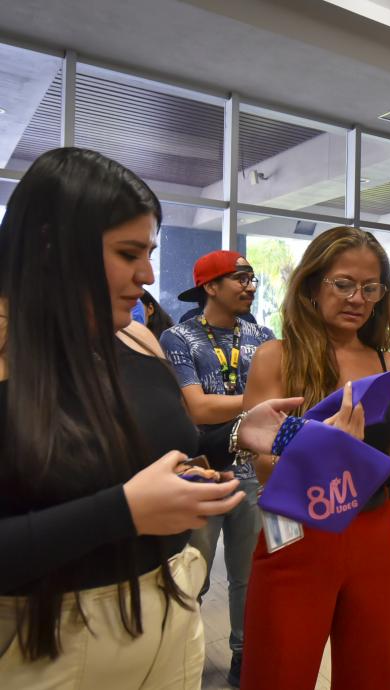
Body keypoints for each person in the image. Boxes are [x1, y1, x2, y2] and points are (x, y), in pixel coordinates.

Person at [0, 147, 302, 689]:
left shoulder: (135, 339)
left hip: (169, 616)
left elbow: (162, 450)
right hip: (48, 647)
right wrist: (123, 512)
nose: (146, 274)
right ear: (51, 247)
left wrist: (236, 433)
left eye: (150, 251)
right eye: (126, 252)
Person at [240, 226, 390, 690]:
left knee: (373, 674)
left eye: (370, 287)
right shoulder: (278, 358)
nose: (358, 298)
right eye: (344, 284)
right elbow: (263, 467)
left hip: (376, 532)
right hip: (298, 533)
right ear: (313, 285)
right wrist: (324, 451)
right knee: (280, 672)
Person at [159, 249, 273, 687]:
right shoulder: (179, 338)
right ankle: (180, 658)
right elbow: (197, 407)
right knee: (194, 572)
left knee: (248, 575)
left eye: (252, 278)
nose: (249, 286)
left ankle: (244, 659)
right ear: (210, 286)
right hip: (202, 468)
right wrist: (261, 399)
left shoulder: (262, 335)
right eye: (239, 277)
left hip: (251, 468)